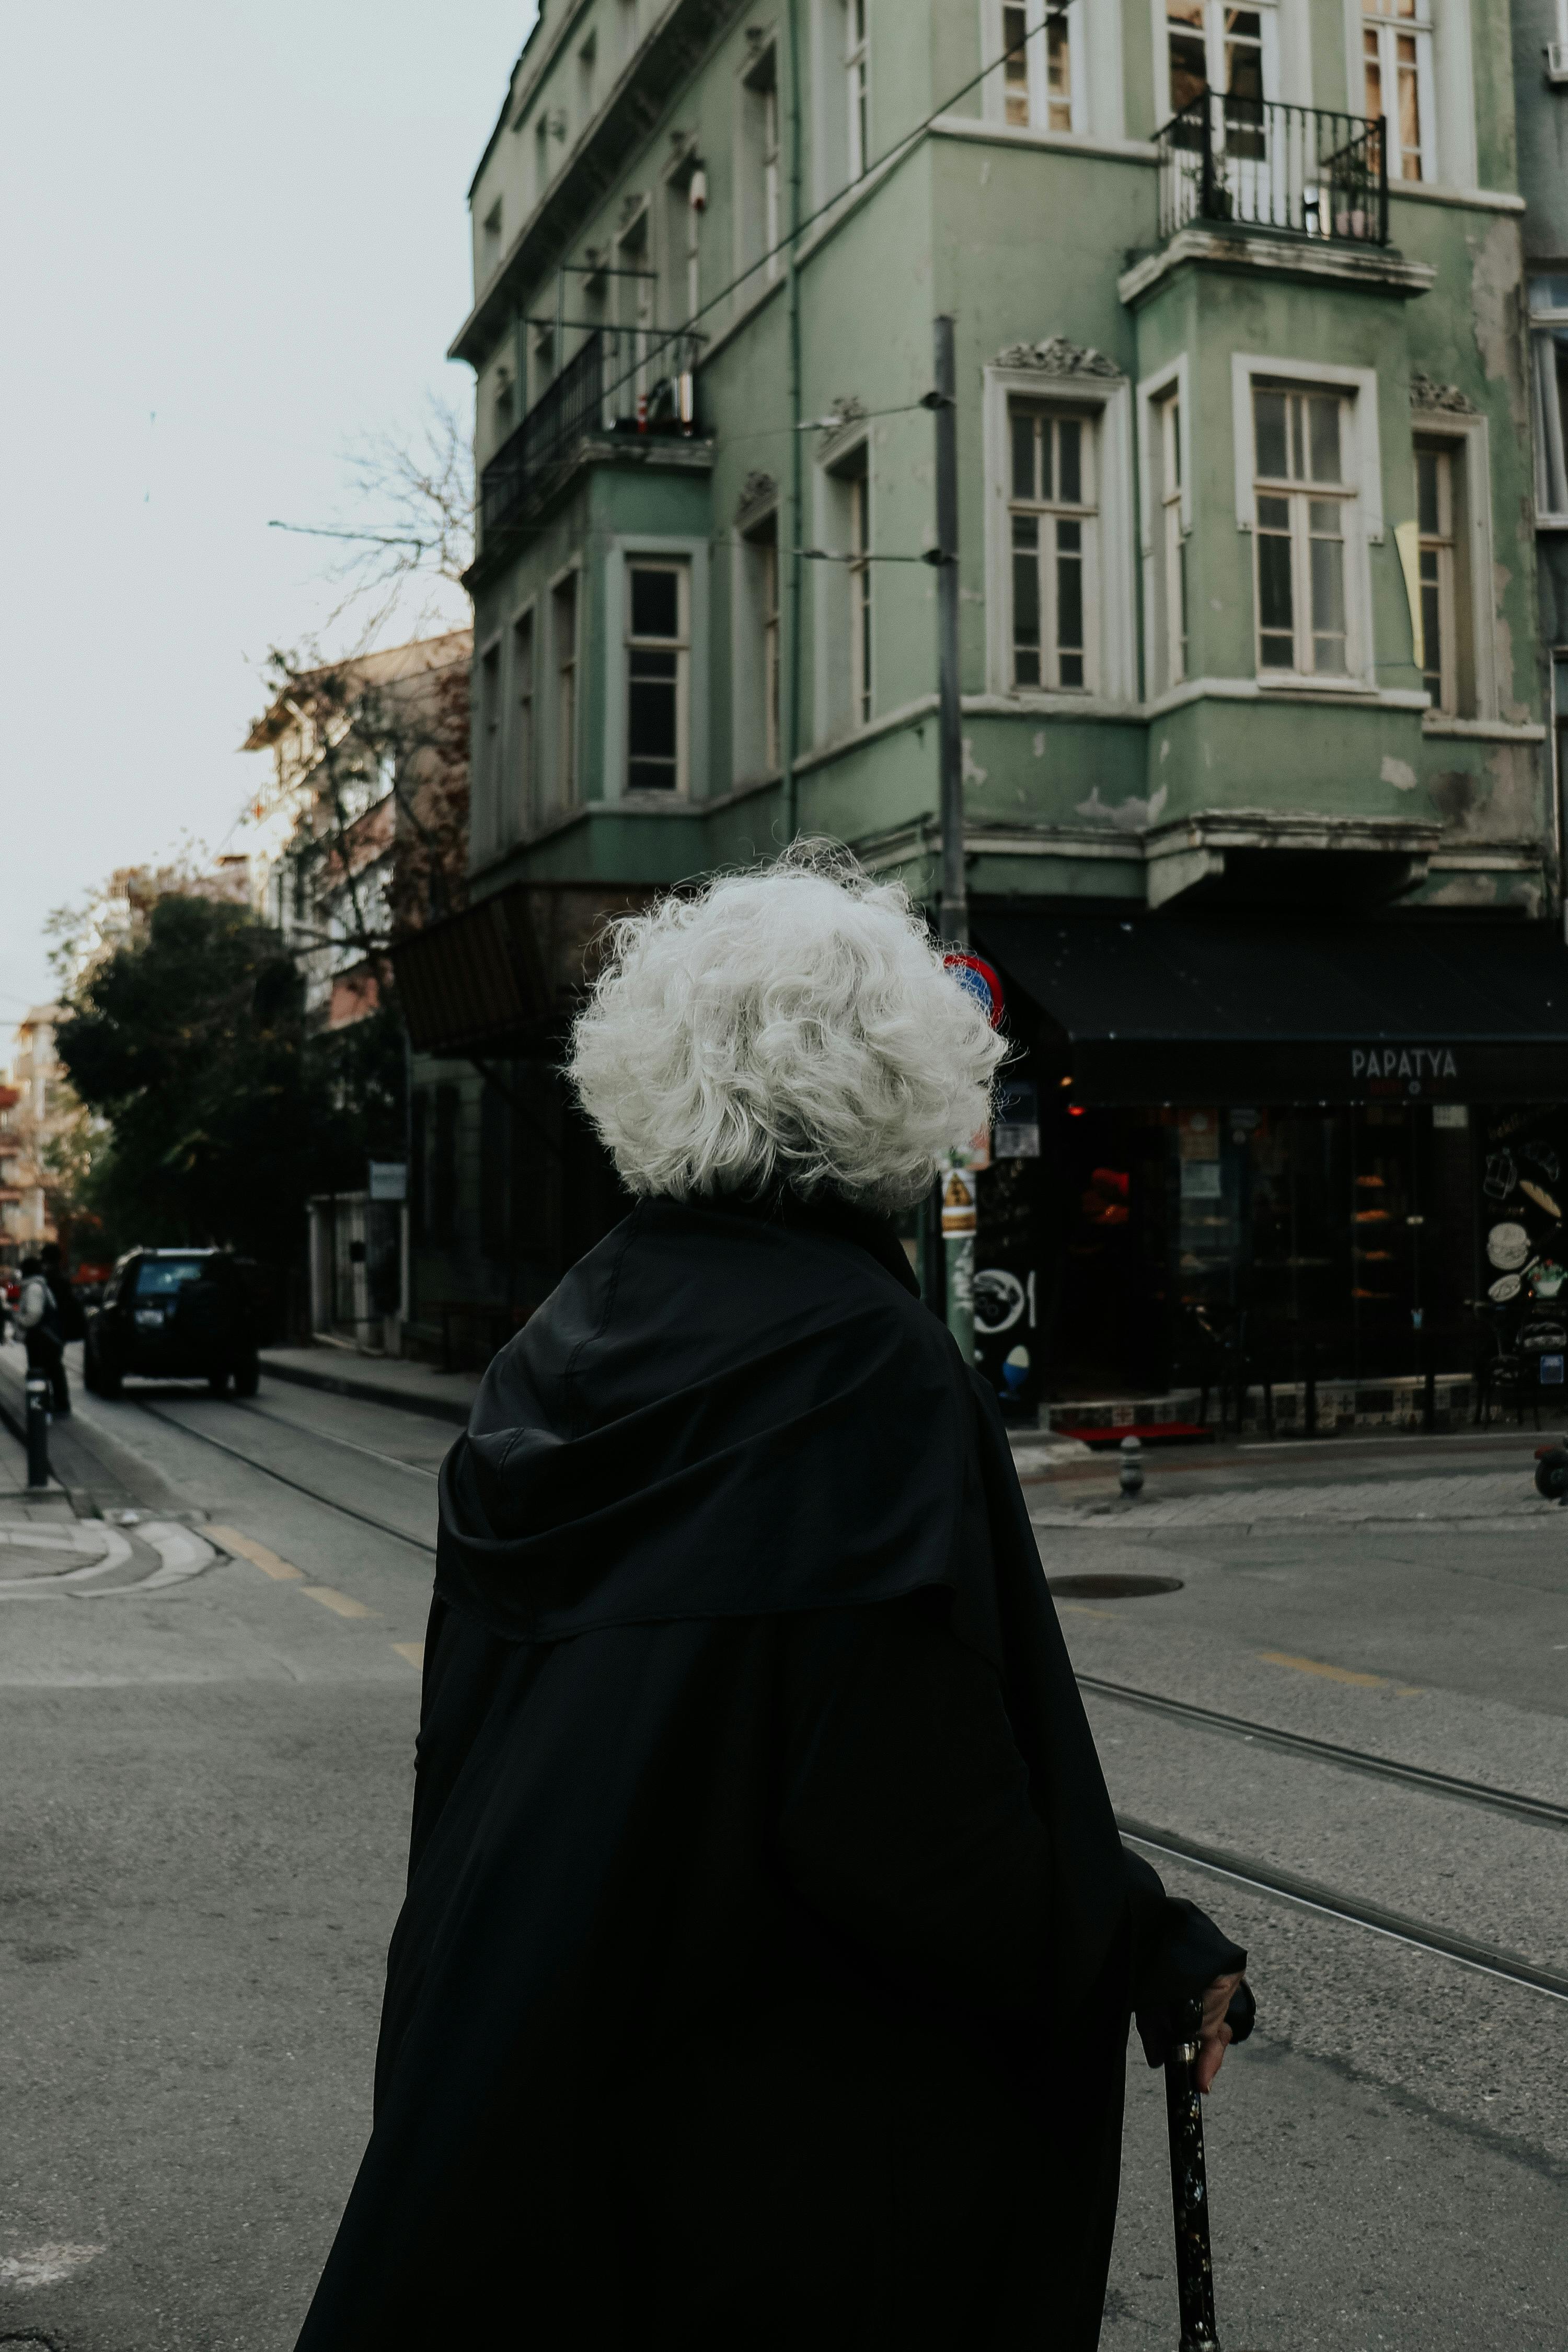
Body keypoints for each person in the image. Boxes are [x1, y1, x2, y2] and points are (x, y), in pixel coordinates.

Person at [294, 853, 1252, 2352]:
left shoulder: (555, 1349)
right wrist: (1138, 1939)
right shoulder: (860, 1365)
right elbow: (911, 1819)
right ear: (899, 1087)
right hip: (757, 2168)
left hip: (509, 2091)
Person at [16, 1254, 70, 1417]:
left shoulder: (34, 1288)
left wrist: (21, 1321)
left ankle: (43, 1406)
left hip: (42, 1339)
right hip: (49, 1338)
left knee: (40, 1372)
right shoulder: (41, 1286)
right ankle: (57, 1404)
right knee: (53, 1371)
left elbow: (34, 1314)